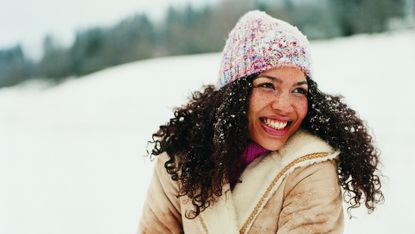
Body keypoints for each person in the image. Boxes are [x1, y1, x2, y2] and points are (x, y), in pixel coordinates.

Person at [138, 10, 383, 234]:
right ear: (234, 94)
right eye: (268, 85)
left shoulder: (310, 166)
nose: (285, 106)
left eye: (299, 90)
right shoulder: (181, 159)